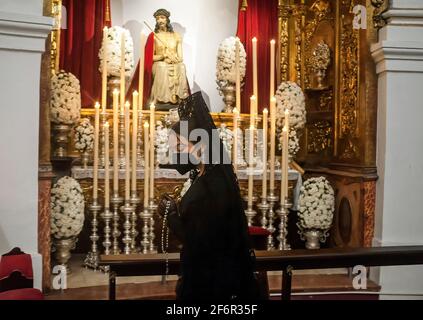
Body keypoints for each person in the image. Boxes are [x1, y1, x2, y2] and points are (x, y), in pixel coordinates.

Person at [157, 92, 261, 300]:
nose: (176, 154)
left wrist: (171, 216)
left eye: (180, 147)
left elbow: (200, 239)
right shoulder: (201, 175)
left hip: (213, 281)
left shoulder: (214, 184)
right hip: (201, 272)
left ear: (200, 144)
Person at [150, 8, 189, 105]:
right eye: (158, 19)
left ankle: (180, 97)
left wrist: (174, 58)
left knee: (181, 66)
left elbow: (180, 58)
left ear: (167, 19)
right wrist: (163, 56)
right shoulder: (154, 36)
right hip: (159, 64)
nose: (160, 20)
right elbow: (150, 58)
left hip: (173, 63)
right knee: (162, 67)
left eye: (162, 18)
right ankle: (162, 99)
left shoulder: (176, 36)